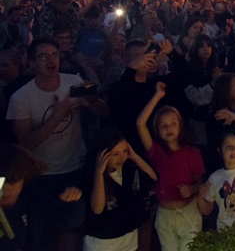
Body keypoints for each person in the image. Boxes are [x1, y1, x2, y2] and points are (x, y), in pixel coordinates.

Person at [6, 38, 108, 250]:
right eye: (43, 56)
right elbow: (25, 143)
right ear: (32, 62)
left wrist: (93, 100)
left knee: (74, 226)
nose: (51, 60)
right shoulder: (21, 98)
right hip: (41, 174)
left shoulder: (73, 81)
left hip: (75, 166)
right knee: (44, 231)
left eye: (55, 55)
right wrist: (58, 115)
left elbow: (103, 112)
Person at [136, 82, 206, 251]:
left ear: (180, 126)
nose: (169, 128)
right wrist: (157, 96)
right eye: (163, 125)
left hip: (188, 211)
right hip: (165, 213)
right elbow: (140, 124)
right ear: (157, 129)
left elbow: (202, 184)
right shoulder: (156, 152)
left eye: (173, 124)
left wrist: (192, 189)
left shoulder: (192, 152)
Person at [83, 129, 157, 251]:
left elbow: (152, 178)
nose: (122, 157)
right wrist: (99, 172)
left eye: (125, 151)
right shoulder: (92, 176)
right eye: (115, 154)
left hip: (128, 239)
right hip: (103, 243)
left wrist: (134, 157)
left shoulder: (129, 169)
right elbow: (97, 208)